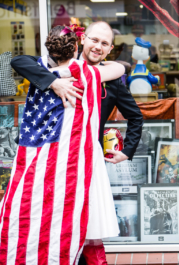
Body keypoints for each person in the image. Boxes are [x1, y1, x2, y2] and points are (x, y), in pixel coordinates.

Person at [11, 21, 144, 265]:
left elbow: (135, 116)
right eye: (94, 40)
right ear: (82, 40)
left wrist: (127, 151)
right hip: (49, 162)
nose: (97, 47)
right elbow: (19, 61)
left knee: (88, 226)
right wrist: (53, 81)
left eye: (104, 44)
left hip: (85, 163)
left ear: (110, 48)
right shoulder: (55, 65)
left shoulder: (110, 77)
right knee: (49, 222)